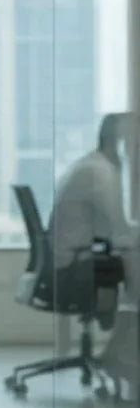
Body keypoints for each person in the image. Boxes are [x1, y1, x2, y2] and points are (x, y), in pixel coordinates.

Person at [49, 112, 138, 299]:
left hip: (65, 257)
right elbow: (120, 234)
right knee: (131, 251)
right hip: (73, 265)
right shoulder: (102, 174)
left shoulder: (92, 165)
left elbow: (107, 228)